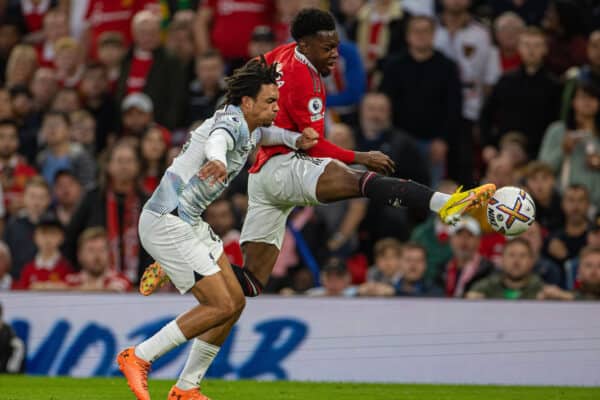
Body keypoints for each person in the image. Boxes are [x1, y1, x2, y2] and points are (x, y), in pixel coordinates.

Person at [143, 9, 496, 300]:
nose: (334, 54)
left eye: (336, 46)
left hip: (262, 179)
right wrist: (360, 155)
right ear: (306, 45)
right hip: (283, 168)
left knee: (250, 282)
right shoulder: (306, 80)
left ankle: (176, 264)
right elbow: (313, 144)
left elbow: (245, 78)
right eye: (327, 48)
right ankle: (445, 203)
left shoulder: (279, 54)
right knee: (360, 181)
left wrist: (235, 118)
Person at [117, 58, 319, 400]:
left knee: (236, 302)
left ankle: (186, 388)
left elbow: (266, 133)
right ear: (247, 102)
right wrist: (219, 160)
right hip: (167, 221)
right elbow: (218, 141)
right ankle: (138, 356)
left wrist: (295, 139)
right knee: (220, 305)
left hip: (189, 221)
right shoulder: (229, 122)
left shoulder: (249, 125)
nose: (275, 108)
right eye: (270, 101)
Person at [379, 14, 462, 186]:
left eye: (426, 31)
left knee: (432, 192)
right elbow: (384, 102)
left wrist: (443, 140)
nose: (421, 35)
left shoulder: (447, 67)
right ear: (408, 36)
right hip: (398, 140)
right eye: (416, 31)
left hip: (433, 142)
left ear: (433, 35)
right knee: (395, 190)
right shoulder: (393, 65)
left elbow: (454, 107)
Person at [65, 139, 151, 284]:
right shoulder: (93, 197)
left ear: (138, 166)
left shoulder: (148, 202)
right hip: (99, 285)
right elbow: (71, 237)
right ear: (109, 166)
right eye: (119, 161)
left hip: (142, 286)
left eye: (129, 161)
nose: (124, 166)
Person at [434, 0, 501, 183]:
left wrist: (484, 116)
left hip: (470, 108)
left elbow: (490, 78)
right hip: (434, 107)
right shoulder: (431, 29)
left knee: (465, 164)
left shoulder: (482, 33)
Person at [480, 26, 562, 161]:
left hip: (539, 157)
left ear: (545, 49)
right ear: (519, 48)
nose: (531, 50)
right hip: (504, 153)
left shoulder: (554, 85)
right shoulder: (505, 80)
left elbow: (557, 124)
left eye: (536, 45)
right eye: (526, 45)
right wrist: (488, 145)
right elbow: (486, 115)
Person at [115, 10, 187, 129]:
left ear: (160, 34)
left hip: (158, 126)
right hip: (126, 126)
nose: (148, 37)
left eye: (152, 33)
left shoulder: (170, 60)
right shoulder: (126, 59)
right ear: (134, 34)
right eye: (143, 33)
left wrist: (167, 127)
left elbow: (177, 98)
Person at [539, 82, 600, 205]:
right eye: (582, 97)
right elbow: (542, 169)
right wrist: (563, 150)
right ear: (573, 102)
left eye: (592, 97)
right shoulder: (557, 131)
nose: (587, 101)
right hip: (562, 202)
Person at [4, 176, 51, 279]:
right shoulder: (13, 225)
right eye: (32, 196)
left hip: (48, 283)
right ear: (24, 197)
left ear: (48, 200)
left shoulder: (54, 227)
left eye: (41, 198)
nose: (37, 202)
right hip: (17, 283)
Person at [466, 238, 544, 300]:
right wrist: (469, 300)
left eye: (522, 256)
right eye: (511, 255)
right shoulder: (484, 288)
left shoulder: (541, 290)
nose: (516, 261)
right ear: (502, 259)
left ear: (531, 261)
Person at [436, 216, 495, 297]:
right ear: (451, 240)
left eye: (470, 235)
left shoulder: (488, 270)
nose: (464, 240)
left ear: (479, 241)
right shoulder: (442, 269)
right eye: (459, 235)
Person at [36, 110, 97, 189]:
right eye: (47, 125)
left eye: (56, 124)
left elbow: (88, 188)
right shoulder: (41, 158)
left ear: (69, 129)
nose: (51, 129)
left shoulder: (81, 157)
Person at [13, 214, 73, 290]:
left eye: (53, 233)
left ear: (62, 237)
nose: (48, 239)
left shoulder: (67, 267)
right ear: (35, 236)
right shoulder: (27, 269)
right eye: (43, 233)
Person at [65, 227, 131, 292]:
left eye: (102, 250)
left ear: (109, 254)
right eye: (91, 250)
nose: (97, 256)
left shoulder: (121, 280)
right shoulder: (70, 280)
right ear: (79, 255)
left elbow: (118, 289)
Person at [544, 184, 591, 270]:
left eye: (581, 200)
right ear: (562, 204)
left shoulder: (595, 235)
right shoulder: (553, 235)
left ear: (588, 204)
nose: (576, 206)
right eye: (571, 200)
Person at [0, 118, 37, 215]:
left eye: (12, 137)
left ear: (18, 141)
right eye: (1, 137)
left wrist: (24, 203)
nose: (7, 142)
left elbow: (38, 198)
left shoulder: (29, 172)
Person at [560, 30, 600, 120]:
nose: (599, 51)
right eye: (595, 46)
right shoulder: (576, 78)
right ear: (587, 48)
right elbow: (565, 113)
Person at [186, 50, 227, 126]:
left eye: (214, 68)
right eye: (204, 69)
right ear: (196, 70)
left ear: (222, 68)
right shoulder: (188, 92)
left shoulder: (232, 92)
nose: (209, 73)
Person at [523, 161, 565, 232]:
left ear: (553, 180)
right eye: (534, 179)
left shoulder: (563, 204)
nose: (539, 185)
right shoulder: (523, 207)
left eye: (544, 178)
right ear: (527, 183)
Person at [520, 221, 563, 287]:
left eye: (531, 234)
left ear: (541, 240)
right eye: (522, 234)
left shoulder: (550, 270)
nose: (526, 239)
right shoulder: (506, 267)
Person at [0, 302, 25, 373]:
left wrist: (12, 367)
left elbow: (18, 345)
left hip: (4, 363)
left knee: (18, 345)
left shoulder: (7, 329)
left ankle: (12, 370)